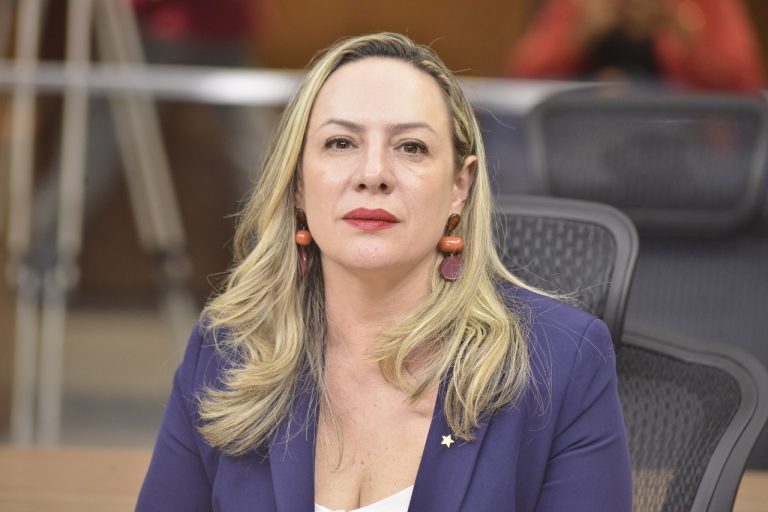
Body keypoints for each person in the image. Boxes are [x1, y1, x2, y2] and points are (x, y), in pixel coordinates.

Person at [136, 32, 632, 511]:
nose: (373, 174)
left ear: (459, 186)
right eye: (340, 143)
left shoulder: (561, 363)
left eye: (411, 147)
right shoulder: (227, 351)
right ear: (298, 184)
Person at [506, 0, 765, 92]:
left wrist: (675, 27)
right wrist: (580, 35)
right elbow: (519, 78)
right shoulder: (577, 6)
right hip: (585, 149)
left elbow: (748, 82)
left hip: (687, 148)